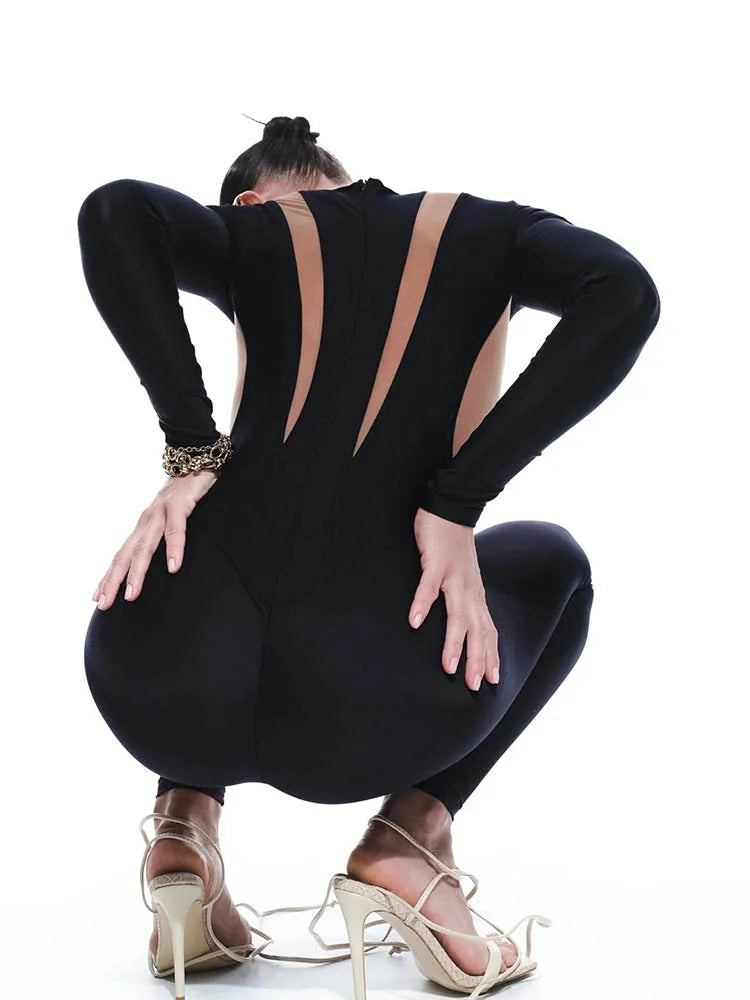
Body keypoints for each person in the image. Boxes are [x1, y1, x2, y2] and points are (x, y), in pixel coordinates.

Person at [77, 114, 660, 996]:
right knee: (554, 563)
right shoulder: (491, 230)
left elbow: (114, 211)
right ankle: (407, 839)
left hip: (153, 691)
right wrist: (456, 502)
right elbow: (625, 293)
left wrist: (194, 452)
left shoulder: (250, 235)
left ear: (249, 204)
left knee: (204, 549)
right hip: (370, 712)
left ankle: (182, 826)